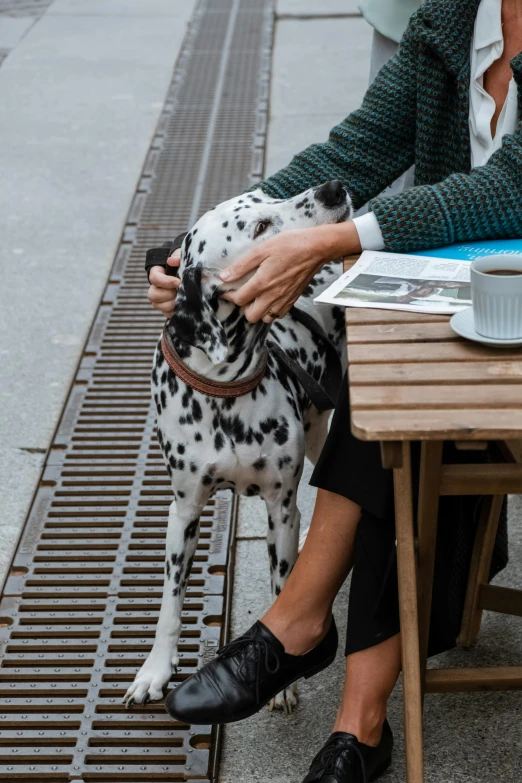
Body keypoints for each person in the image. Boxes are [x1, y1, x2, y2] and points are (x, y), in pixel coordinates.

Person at [147, 0, 521, 780]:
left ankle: (303, 632)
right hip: (487, 310)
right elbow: (355, 148)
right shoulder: (453, 19)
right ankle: (354, 708)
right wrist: (207, 249)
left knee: (395, 401)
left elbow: (509, 188)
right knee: (384, 385)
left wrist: (335, 237)